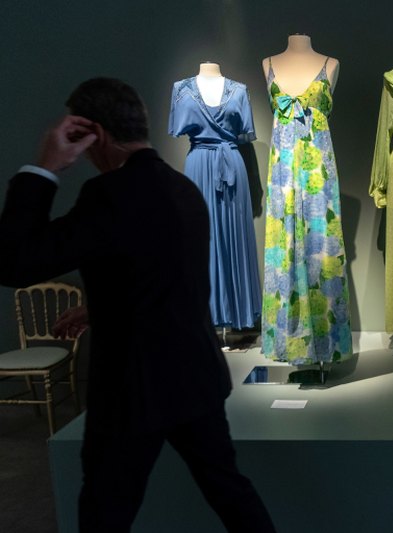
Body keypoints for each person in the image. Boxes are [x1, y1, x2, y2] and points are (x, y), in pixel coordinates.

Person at [0, 78, 276, 532]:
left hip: (134, 390)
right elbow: (167, 277)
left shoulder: (107, 196)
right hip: (195, 378)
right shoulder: (183, 190)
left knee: (104, 514)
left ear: (95, 134)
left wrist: (45, 167)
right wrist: (99, 306)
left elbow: (14, 262)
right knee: (231, 494)